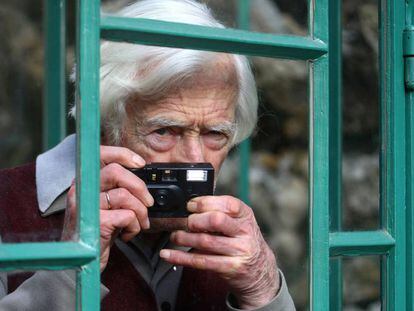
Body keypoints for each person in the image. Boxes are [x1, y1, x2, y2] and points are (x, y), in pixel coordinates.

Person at [0, 0, 295, 310]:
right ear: (103, 125)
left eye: (215, 134)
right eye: (164, 132)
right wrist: (70, 270)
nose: (194, 158)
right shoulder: (8, 205)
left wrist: (263, 290)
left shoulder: (230, 236)